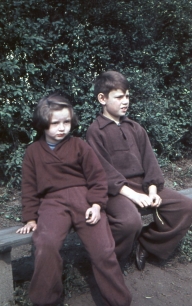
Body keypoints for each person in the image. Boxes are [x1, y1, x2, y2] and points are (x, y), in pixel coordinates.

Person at [16, 92, 132, 306]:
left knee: (103, 250)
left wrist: (97, 205)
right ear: (42, 124)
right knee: (46, 244)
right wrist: (30, 218)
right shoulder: (33, 152)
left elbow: (97, 177)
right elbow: (29, 188)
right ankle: (46, 300)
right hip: (52, 204)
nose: (62, 128)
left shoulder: (79, 146)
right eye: (55, 123)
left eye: (66, 122)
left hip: (84, 200)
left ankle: (118, 301)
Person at [86, 70, 192, 271]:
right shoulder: (95, 131)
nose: (125, 101)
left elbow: (150, 162)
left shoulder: (135, 128)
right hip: (117, 192)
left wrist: (152, 190)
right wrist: (134, 196)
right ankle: (111, 263)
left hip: (143, 186)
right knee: (129, 222)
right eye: (119, 97)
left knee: (185, 207)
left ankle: (147, 243)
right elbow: (103, 172)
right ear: (102, 99)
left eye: (127, 96)